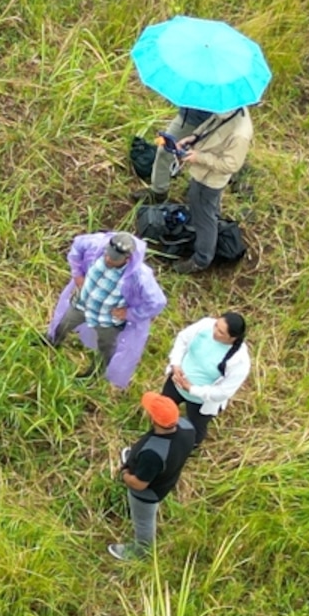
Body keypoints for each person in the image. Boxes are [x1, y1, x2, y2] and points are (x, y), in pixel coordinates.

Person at [111, 310, 249, 558]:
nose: (213, 331)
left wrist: (193, 389)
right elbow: (183, 339)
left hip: (199, 399)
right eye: (216, 326)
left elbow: (222, 392)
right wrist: (176, 367)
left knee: (144, 518)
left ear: (233, 338)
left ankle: (141, 552)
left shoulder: (239, 361)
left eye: (220, 332)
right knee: (185, 439)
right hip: (177, 385)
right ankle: (169, 457)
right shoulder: (183, 428)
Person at [48, 229, 164, 388]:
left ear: (127, 258)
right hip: (82, 304)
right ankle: (52, 342)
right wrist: (77, 274)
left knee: (106, 347)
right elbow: (77, 246)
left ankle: (93, 374)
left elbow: (157, 302)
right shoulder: (96, 246)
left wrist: (130, 313)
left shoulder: (139, 276)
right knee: (63, 324)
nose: (108, 259)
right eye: (107, 254)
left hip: (107, 319)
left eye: (114, 259)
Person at [145, 101, 252, 272]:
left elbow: (231, 165)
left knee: (203, 216)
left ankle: (201, 260)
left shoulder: (239, 133)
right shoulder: (227, 110)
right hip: (204, 174)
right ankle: (209, 238)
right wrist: (193, 138)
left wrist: (199, 157)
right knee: (208, 211)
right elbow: (210, 126)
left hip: (209, 180)